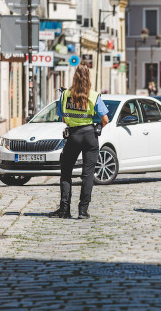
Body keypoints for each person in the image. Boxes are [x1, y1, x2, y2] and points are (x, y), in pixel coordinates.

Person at [49, 64, 109, 220]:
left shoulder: (65, 95)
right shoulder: (94, 96)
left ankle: (64, 209)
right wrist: (98, 126)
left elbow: (62, 117)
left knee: (66, 172)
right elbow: (105, 119)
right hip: (90, 136)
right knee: (87, 175)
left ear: (74, 78)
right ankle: (83, 211)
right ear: (88, 78)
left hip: (73, 136)